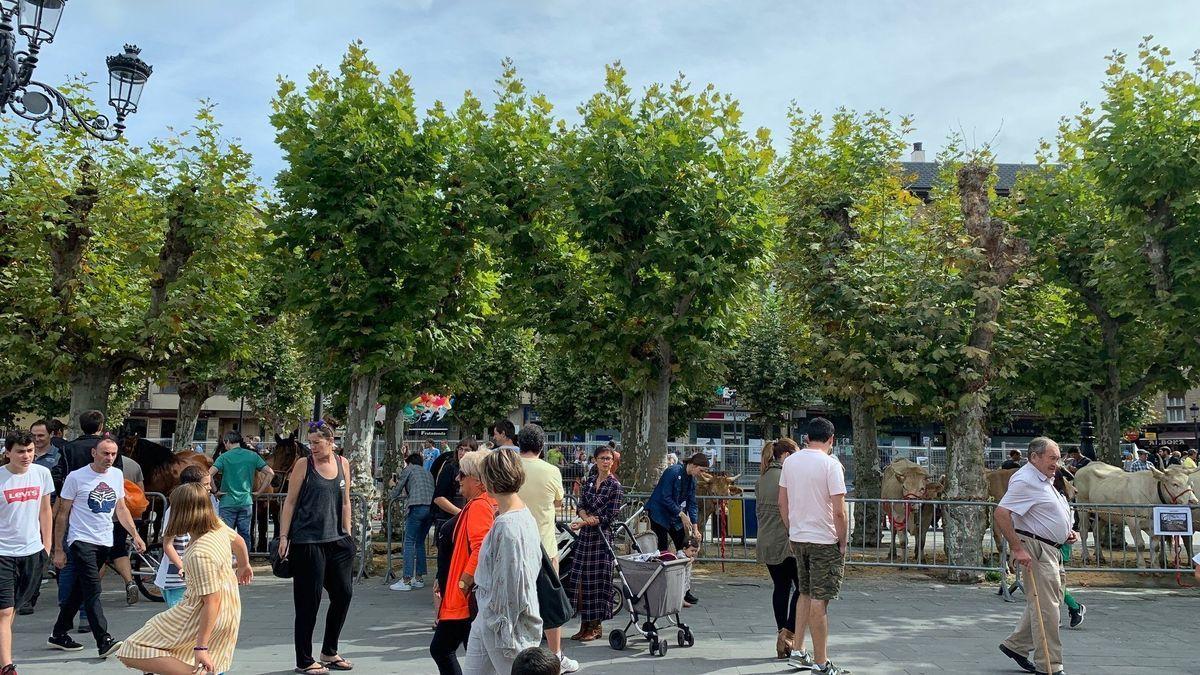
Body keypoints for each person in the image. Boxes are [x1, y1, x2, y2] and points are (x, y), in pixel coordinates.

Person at [116, 482, 253, 675]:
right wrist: (244, 565)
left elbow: (211, 602)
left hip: (198, 611)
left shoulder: (199, 552)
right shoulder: (217, 526)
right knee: (185, 655)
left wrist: (201, 648)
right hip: (228, 610)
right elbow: (238, 542)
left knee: (133, 649)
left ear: (179, 511)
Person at [48, 436, 146, 658]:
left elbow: (121, 509)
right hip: (81, 541)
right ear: (94, 453)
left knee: (78, 591)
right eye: (105, 453)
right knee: (93, 589)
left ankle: (59, 632)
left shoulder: (116, 475)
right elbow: (62, 514)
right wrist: (58, 549)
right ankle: (103, 639)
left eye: (113, 454)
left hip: (105, 541)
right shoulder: (76, 477)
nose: (109, 458)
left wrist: (136, 535)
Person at [278, 421, 354, 674]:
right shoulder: (304, 465)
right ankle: (304, 659)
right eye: (310, 443)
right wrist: (283, 536)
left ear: (331, 442)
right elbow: (289, 503)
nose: (312, 447)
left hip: (337, 541)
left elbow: (345, 502)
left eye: (317, 443)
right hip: (307, 541)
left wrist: (348, 533)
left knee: (343, 593)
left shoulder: (343, 463)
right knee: (308, 602)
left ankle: (329, 651)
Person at [994, 437, 1075, 675]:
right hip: (1037, 548)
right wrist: (1017, 549)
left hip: (1051, 547)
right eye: (1052, 458)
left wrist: (1065, 531)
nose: (1056, 463)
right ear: (1034, 457)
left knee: (1051, 602)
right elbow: (1001, 513)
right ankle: (1050, 665)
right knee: (1048, 608)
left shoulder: (1046, 478)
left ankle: (1017, 645)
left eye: (1058, 458)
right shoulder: (1025, 480)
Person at [778, 418, 848, 675]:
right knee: (820, 600)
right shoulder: (832, 465)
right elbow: (839, 511)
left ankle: (798, 650)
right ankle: (821, 662)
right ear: (831, 440)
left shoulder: (790, 462)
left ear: (806, 437)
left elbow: (782, 503)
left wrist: (791, 529)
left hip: (799, 537)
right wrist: (843, 540)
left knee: (804, 592)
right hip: (824, 539)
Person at [464, 448, 543, 674]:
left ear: (490, 480)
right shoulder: (520, 515)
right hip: (492, 616)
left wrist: (503, 629)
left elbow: (510, 585)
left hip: (503, 623)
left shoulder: (507, 525)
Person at [514, 424, 577, 672]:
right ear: (542, 446)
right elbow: (559, 499)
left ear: (519, 444)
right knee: (550, 603)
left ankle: (519, 652)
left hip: (516, 543)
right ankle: (556, 656)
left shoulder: (511, 468)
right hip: (546, 546)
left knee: (518, 601)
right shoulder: (551, 471)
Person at [430, 448, 495, 675]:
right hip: (463, 595)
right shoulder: (478, 503)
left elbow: (480, 548)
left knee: (442, 649)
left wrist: (463, 583)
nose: (458, 479)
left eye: (462, 475)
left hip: (464, 598)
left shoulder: (479, 505)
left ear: (477, 481)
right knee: (468, 652)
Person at [0, 433, 54, 674]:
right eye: (21, 451)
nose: (27, 456)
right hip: (3, 552)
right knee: (4, 610)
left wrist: (48, 546)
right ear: (8, 453)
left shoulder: (42, 474)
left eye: (30, 450)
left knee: (13, 609)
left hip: (32, 551)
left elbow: (45, 511)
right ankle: (7, 666)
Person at [564, 444, 624, 643]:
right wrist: (583, 517)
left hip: (602, 538)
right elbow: (580, 505)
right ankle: (584, 624)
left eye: (609, 459)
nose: (606, 462)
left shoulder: (614, 485)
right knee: (580, 580)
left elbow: (610, 515)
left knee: (598, 582)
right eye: (603, 458)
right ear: (595, 460)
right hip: (585, 537)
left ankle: (595, 626)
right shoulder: (589, 481)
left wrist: (587, 520)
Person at [756, 438, 800, 659]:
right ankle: (788, 633)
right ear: (786, 455)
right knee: (803, 588)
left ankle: (781, 632)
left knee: (781, 587)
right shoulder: (787, 477)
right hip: (786, 541)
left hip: (766, 540)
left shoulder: (762, 477)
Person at [645, 451, 707, 606]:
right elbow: (665, 496)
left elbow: (692, 503)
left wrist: (695, 526)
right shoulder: (673, 471)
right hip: (659, 514)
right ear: (693, 465)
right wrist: (681, 514)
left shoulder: (691, 480)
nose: (701, 474)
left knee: (685, 549)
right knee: (663, 552)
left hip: (675, 517)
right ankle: (662, 591)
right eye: (701, 470)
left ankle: (683, 591)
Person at [155, 466, 216, 607]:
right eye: (206, 484)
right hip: (176, 581)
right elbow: (168, 544)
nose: (210, 488)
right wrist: (181, 566)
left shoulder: (205, 507)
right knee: (181, 623)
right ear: (192, 486)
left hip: (197, 575)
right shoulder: (175, 510)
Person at [20, 420, 62, 616]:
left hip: (48, 511)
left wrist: (53, 515)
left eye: (41, 436)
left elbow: (61, 490)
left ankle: (30, 597)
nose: (37, 440)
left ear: (50, 435)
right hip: (23, 515)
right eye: (34, 436)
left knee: (40, 558)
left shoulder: (58, 457)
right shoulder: (25, 455)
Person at [210, 430, 274, 550]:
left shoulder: (223, 457)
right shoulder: (252, 456)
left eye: (225, 443)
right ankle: (244, 562)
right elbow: (270, 473)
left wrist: (215, 491)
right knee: (245, 534)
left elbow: (209, 475)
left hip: (227, 502)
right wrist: (259, 492)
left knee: (226, 535)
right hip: (246, 501)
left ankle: (227, 562)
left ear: (227, 442)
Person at [389, 453, 435, 592]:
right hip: (431, 508)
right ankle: (419, 578)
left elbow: (396, 492)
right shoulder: (428, 473)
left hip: (416, 507)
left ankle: (406, 579)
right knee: (420, 542)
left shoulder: (409, 469)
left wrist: (392, 486)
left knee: (409, 542)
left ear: (409, 462)